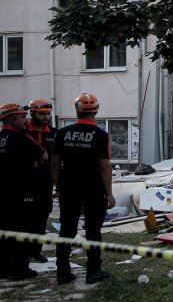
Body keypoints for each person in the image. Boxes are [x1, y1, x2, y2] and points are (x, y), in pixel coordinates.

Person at [51, 93, 114, 285]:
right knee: (93, 231)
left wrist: (58, 186)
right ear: (96, 110)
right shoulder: (101, 135)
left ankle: (62, 272)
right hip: (93, 189)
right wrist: (109, 193)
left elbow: (55, 164)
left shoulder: (62, 133)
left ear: (77, 109)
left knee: (66, 230)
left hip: (69, 187)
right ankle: (93, 272)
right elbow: (105, 166)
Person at [0, 103, 46, 280]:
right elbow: (43, 156)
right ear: (12, 119)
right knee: (23, 229)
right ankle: (20, 268)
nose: (25, 120)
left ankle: (3, 267)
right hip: (21, 191)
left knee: (4, 229)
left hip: (3, 192)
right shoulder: (21, 137)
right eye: (22, 117)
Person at [24, 99, 56, 263]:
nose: (45, 117)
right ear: (32, 113)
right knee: (24, 217)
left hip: (45, 183)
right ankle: (22, 253)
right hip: (24, 184)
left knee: (42, 216)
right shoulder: (22, 132)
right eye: (41, 114)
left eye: (48, 114)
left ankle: (36, 251)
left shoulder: (54, 133)